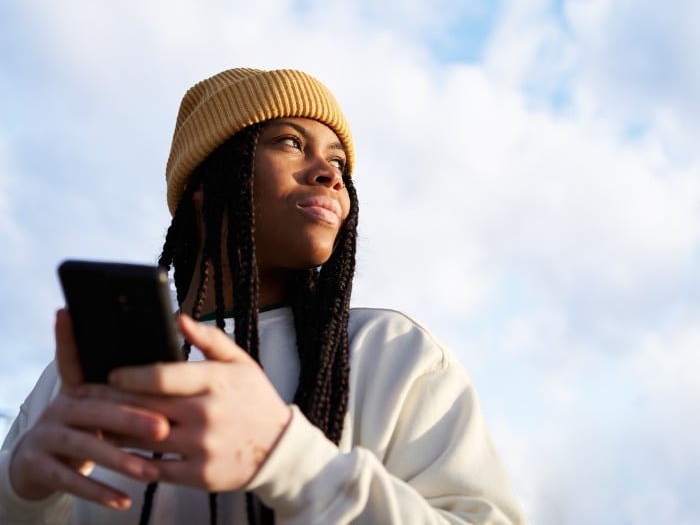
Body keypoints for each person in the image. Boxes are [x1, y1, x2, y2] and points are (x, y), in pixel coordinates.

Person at [0, 68, 527, 524]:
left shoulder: (393, 353)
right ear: (208, 181)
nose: (331, 175)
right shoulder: (76, 381)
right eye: (292, 142)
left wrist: (287, 457)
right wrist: (20, 491)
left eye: (339, 162)